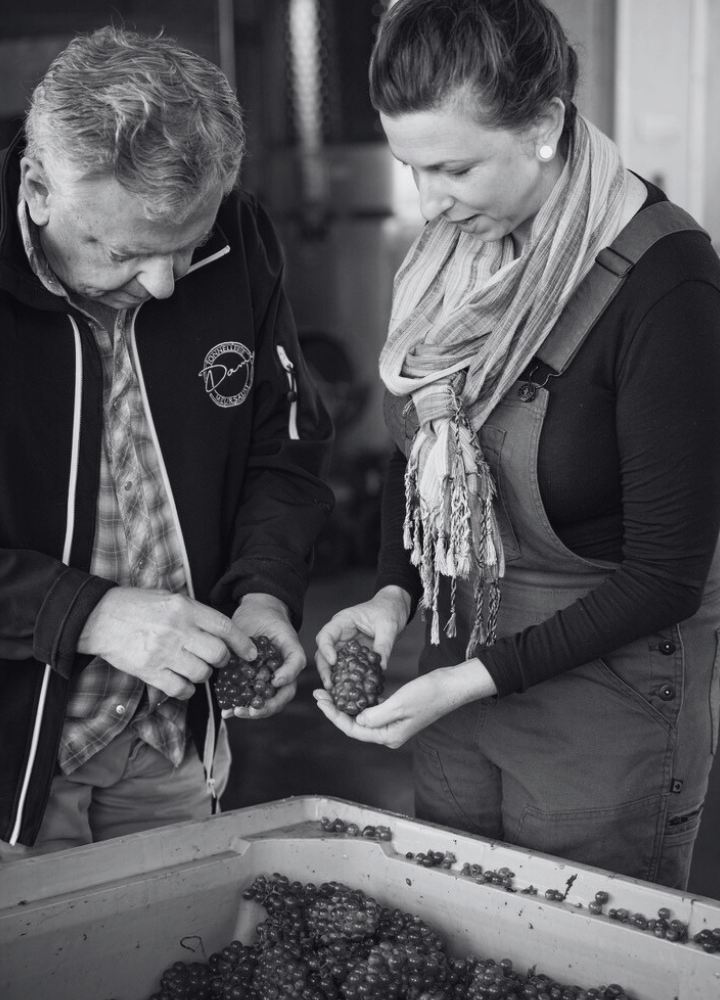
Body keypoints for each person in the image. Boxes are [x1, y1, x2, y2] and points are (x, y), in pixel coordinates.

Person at [314, 0, 720, 890]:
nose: (430, 203)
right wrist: (391, 596)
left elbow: (665, 578)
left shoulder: (667, 284)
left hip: (603, 713)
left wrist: (470, 680)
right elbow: (413, 443)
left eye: (454, 167)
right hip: (459, 689)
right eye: (412, 169)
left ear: (542, 125)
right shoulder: (452, 264)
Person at [0, 26, 334, 856]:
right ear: (38, 188)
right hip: (17, 756)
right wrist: (89, 614)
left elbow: (281, 453)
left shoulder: (244, 236)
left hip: (170, 742)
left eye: (186, 247)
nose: (163, 284)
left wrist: (263, 589)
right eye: (123, 252)